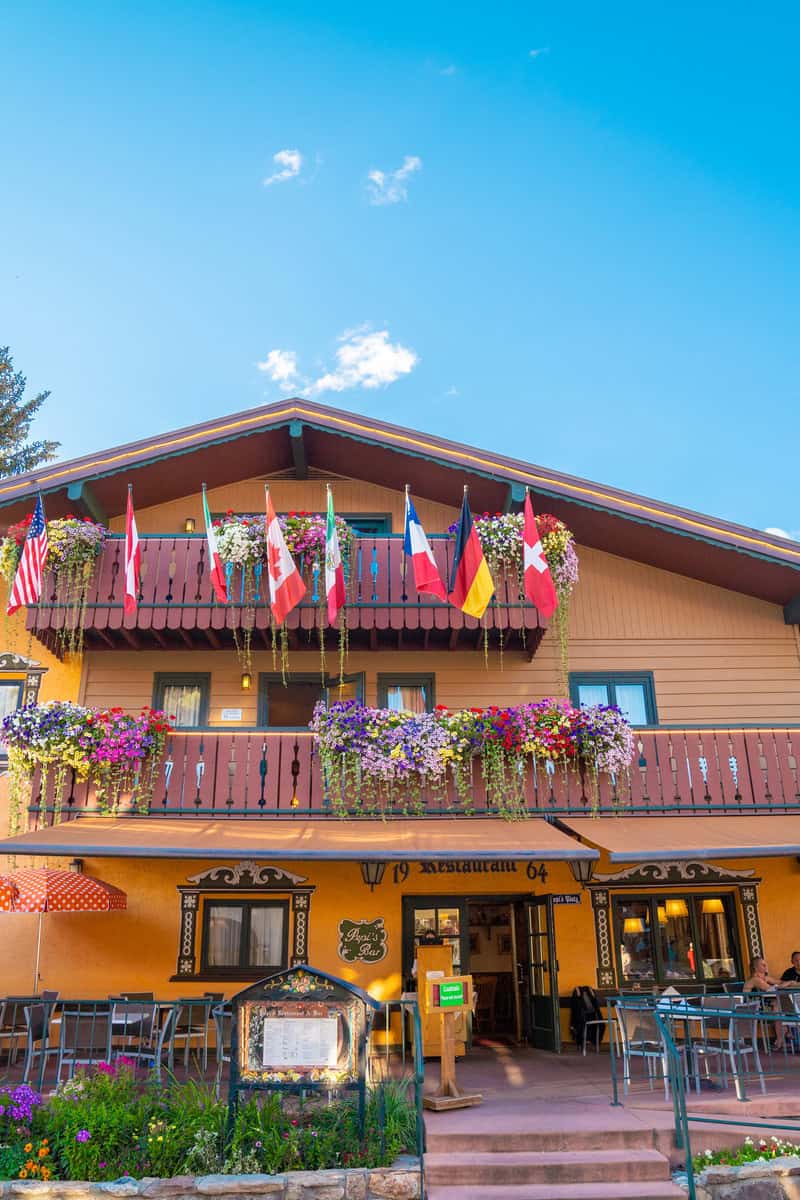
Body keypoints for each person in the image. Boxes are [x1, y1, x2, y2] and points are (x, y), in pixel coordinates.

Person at [744, 957, 786, 1050]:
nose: (766, 966)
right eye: (763, 965)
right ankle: (781, 1038)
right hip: (752, 1008)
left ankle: (783, 1036)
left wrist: (790, 983)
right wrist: (788, 983)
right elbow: (771, 990)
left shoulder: (765, 978)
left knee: (780, 1005)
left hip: (763, 1005)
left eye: (765, 964)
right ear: (755, 968)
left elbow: (780, 982)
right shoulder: (755, 979)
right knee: (778, 1007)